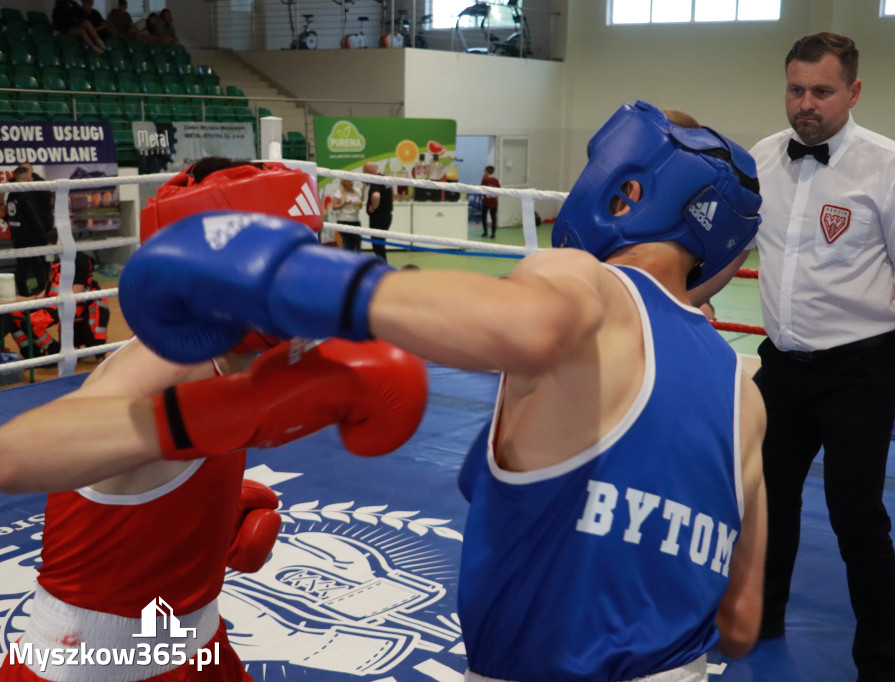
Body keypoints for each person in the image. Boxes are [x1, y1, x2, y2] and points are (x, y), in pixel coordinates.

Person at [118, 100, 768, 681]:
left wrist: (293, 278)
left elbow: (532, 329)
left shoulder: (579, 281)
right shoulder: (746, 396)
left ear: (627, 190)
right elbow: (741, 625)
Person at [0, 158, 429, 682]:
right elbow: (12, 458)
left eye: (311, 249)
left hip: (194, 641)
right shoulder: (166, 364)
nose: (312, 278)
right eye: (286, 263)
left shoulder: (239, 358)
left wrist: (204, 514)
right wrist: (236, 413)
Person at [749, 32, 895, 682]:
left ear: (853, 91)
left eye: (821, 91)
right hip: (780, 366)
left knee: (857, 517)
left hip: (857, 370)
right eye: (796, 89)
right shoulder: (761, 159)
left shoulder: (893, 167)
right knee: (766, 501)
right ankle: (763, 616)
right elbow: (731, 249)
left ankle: (878, 664)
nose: (805, 104)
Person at [8, 228, 109, 359]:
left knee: (30, 322)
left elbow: (76, 293)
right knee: (13, 316)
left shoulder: (80, 261)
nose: (48, 247)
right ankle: (31, 353)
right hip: (51, 302)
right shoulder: (57, 261)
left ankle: (53, 350)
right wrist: (30, 300)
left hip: (69, 304)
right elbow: (50, 286)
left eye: (50, 244)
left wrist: (48, 301)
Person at [5, 167, 50, 298]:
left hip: (18, 237)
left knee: (22, 265)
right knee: (39, 265)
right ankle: (43, 290)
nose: (32, 179)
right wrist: (44, 236)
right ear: (25, 179)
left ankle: (22, 290)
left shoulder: (12, 195)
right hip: (31, 237)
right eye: (30, 177)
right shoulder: (26, 196)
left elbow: (11, 215)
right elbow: (34, 217)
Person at [363, 161, 393, 263]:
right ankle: (383, 264)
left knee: (377, 245)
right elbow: (391, 191)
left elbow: (376, 196)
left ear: (368, 171)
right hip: (387, 215)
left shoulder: (375, 181)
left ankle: (383, 266)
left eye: (364, 171)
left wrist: (373, 208)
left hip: (378, 217)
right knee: (380, 243)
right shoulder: (384, 178)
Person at [327, 178, 363, 251]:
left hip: (355, 220)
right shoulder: (339, 192)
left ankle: (357, 261)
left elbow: (360, 204)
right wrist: (344, 204)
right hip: (344, 220)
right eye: (349, 180)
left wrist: (359, 205)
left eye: (352, 180)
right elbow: (334, 207)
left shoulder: (357, 191)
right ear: (344, 182)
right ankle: (348, 260)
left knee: (357, 244)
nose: (352, 182)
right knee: (348, 244)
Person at [479, 165, 500, 239]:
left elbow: (481, 188)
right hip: (494, 202)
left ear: (487, 171)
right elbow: (499, 189)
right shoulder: (496, 180)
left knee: (484, 217)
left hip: (486, 202)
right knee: (493, 218)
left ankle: (485, 232)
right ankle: (493, 234)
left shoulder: (484, 180)